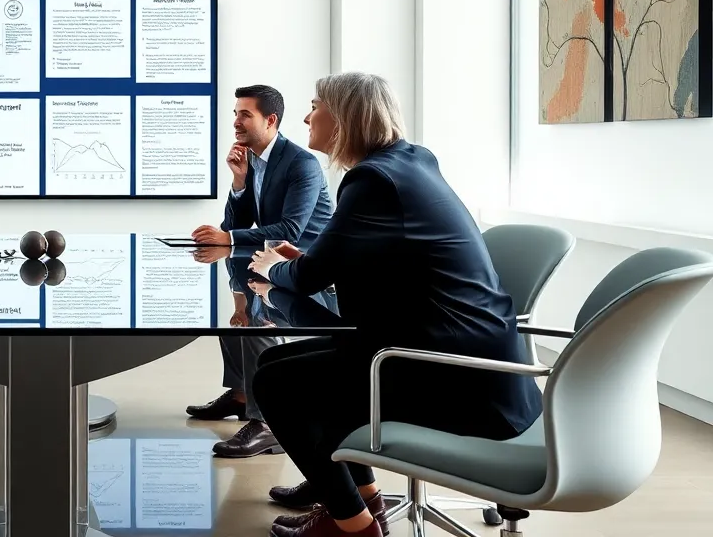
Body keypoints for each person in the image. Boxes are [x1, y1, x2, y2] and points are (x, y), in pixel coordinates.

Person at [246, 72, 542, 537]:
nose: (306, 116)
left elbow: (306, 279)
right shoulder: (409, 163)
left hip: (456, 376)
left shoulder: (373, 180)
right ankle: (362, 500)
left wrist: (271, 269)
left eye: (315, 105)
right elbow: (359, 257)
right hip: (475, 360)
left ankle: (352, 527)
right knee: (280, 358)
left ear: (344, 118)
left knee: (277, 382)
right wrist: (306, 260)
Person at [185, 85, 333, 458]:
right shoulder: (254, 161)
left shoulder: (301, 164)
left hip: (310, 267)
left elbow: (290, 231)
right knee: (235, 290)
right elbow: (237, 224)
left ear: (271, 120)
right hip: (271, 260)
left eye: (244, 114)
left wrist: (229, 236)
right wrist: (238, 182)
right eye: (235, 113)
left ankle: (266, 422)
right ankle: (240, 395)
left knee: (255, 311)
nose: (235, 121)